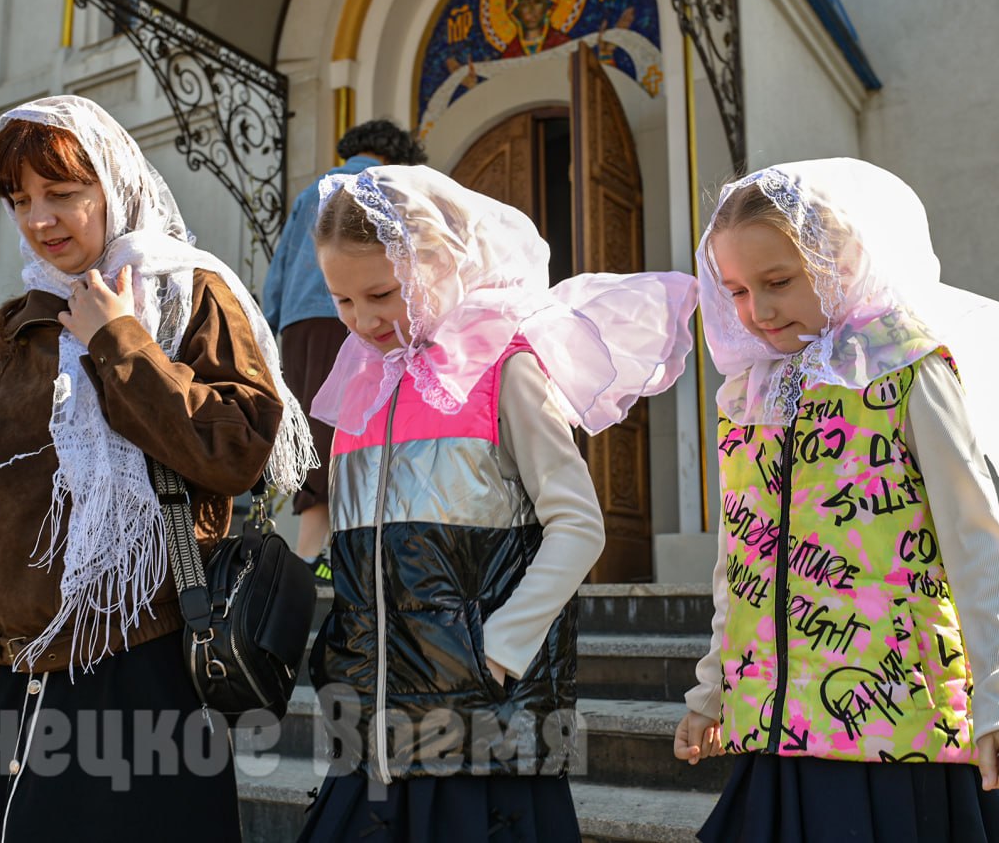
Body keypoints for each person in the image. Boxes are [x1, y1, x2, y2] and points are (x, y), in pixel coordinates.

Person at [0, 95, 315, 842]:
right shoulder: (21, 330)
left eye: (61, 192)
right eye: (20, 199)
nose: (39, 219)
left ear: (113, 186)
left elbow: (239, 451)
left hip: (139, 666)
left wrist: (119, 340)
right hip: (8, 678)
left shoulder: (187, 295)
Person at [676, 158, 999, 842]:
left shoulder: (906, 368)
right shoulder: (748, 397)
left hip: (892, 724)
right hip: (772, 727)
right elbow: (739, 561)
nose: (759, 312)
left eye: (778, 281)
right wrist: (711, 690)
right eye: (738, 291)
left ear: (838, 263)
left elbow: (975, 539)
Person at [297, 165, 699, 841]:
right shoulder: (362, 385)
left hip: (484, 725)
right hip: (372, 729)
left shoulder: (504, 369)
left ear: (440, 264)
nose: (363, 321)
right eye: (342, 300)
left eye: (382, 294)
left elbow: (578, 524)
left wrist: (501, 647)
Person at [261, 119, 427, 572]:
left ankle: (311, 548)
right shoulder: (386, 187)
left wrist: (269, 330)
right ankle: (325, 552)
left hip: (299, 325)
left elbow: (278, 273)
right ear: (395, 156)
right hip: (357, 320)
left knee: (314, 429)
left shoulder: (311, 192)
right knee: (358, 426)